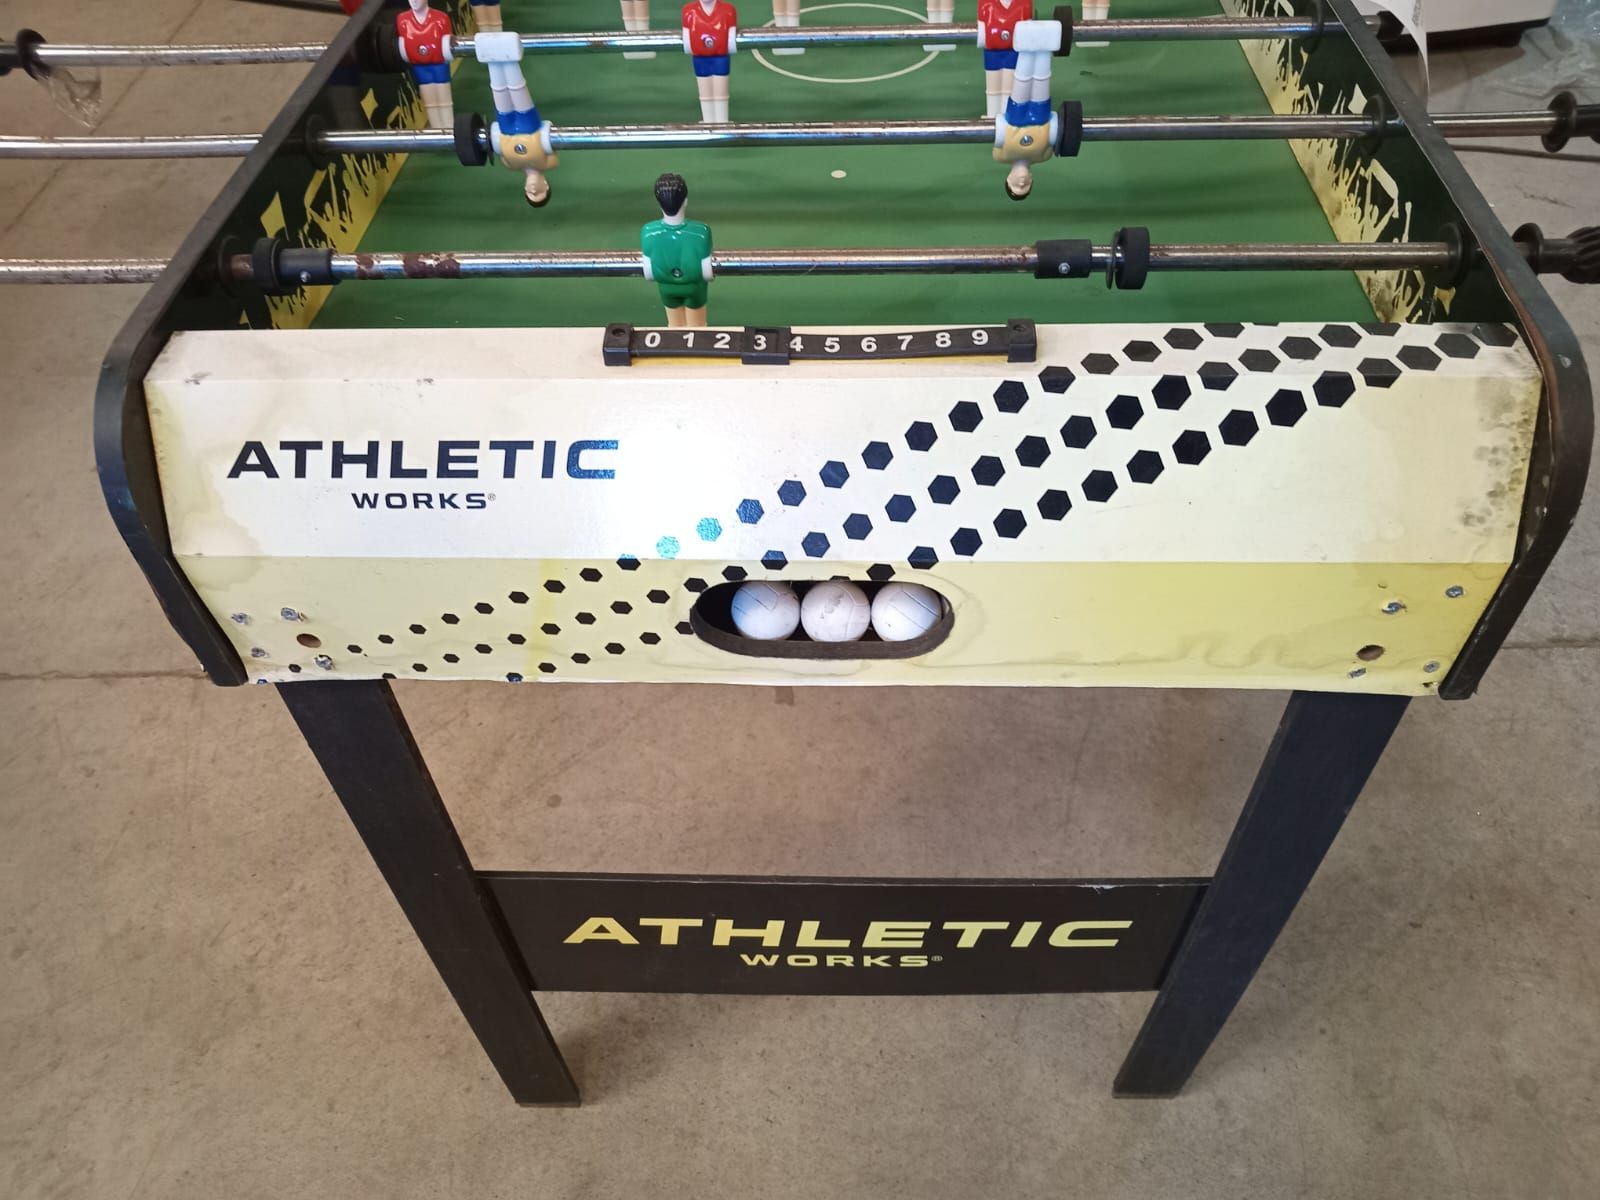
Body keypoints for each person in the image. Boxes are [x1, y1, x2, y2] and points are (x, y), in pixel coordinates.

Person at [641, 173, 714, 328]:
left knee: (674, 327)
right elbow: (707, 272)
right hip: (695, 289)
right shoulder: (701, 232)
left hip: (666, 289)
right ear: (685, 201)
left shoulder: (648, 232)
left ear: (658, 202)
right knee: (698, 327)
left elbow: (648, 273)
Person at [395, 0, 454, 130]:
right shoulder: (402, 20)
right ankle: (436, 128)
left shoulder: (441, 18)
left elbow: (448, 42)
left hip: (439, 64)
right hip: (420, 66)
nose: (414, 1)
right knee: (429, 98)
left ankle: (449, 127)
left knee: (443, 95)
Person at [682, 1, 737, 123]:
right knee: (705, 91)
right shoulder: (689, 11)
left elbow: (731, 38)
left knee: (721, 90)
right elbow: (687, 38)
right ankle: (708, 121)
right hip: (700, 58)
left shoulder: (728, 10)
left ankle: (722, 121)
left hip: (720, 57)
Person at [977, 0, 1030, 118]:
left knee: (1009, 85)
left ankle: (1006, 116)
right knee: (993, 86)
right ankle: (993, 115)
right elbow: (981, 27)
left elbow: (1027, 27)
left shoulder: (1025, 3)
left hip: (1013, 51)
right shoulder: (985, 3)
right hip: (992, 52)